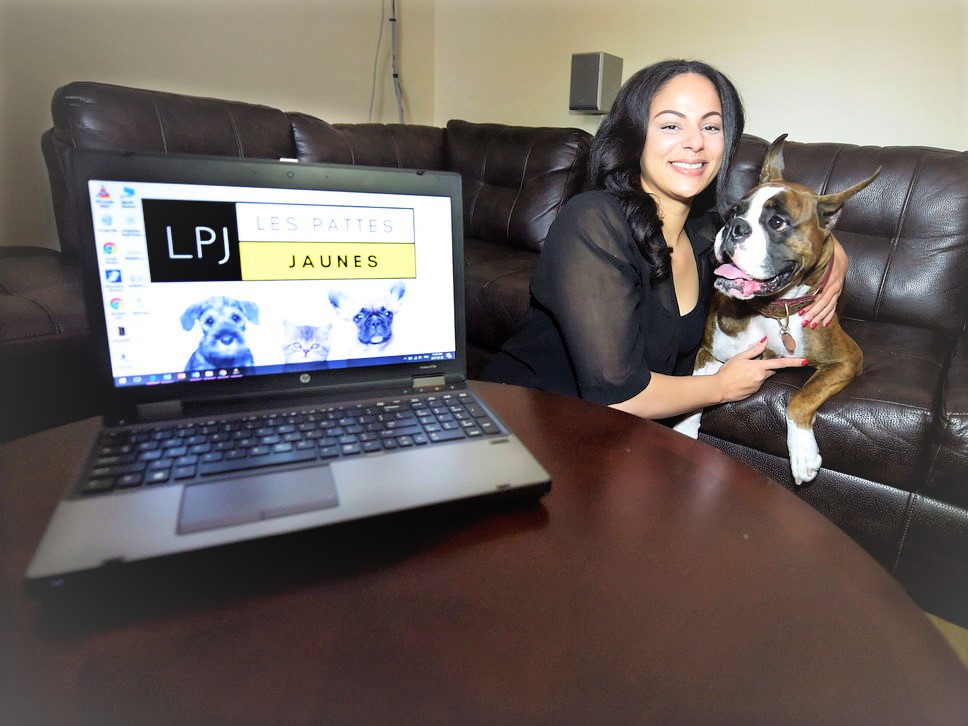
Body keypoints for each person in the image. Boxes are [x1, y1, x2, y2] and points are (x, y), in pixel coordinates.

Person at [480, 59, 848, 421]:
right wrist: (720, 386)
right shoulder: (593, 220)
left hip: (620, 440)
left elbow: (790, 234)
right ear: (635, 136)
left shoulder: (707, 232)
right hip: (526, 420)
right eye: (671, 125)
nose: (694, 144)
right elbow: (619, 397)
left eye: (711, 127)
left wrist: (835, 262)